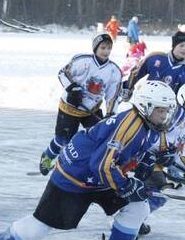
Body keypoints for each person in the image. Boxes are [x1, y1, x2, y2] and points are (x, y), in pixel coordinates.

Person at [0, 81, 179, 240]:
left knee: (137, 207)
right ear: (145, 106)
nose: (165, 115)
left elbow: (125, 159)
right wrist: (126, 186)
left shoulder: (149, 127)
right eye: (161, 110)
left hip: (101, 177)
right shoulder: (129, 127)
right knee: (39, 227)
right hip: (75, 177)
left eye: (166, 111)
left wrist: (147, 164)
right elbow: (101, 164)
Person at [38, 33, 123, 175]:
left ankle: (84, 166)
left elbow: (112, 95)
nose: (106, 51)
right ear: (95, 48)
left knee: (98, 140)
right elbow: (62, 73)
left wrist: (110, 114)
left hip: (91, 110)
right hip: (70, 108)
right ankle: (47, 157)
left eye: (109, 48)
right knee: (63, 141)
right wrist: (72, 89)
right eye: (102, 48)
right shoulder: (82, 61)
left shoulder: (114, 71)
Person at [141, 82, 185, 236]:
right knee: (161, 189)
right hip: (143, 156)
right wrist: (163, 152)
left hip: (155, 160)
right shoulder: (176, 114)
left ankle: (134, 219)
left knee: (162, 193)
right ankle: (126, 219)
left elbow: (175, 155)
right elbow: (153, 132)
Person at [120, 30, 185, 100]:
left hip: (167, 109)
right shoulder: (156, 58)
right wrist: (128, 88)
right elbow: (136, 73)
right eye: (182, 45)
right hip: (146, 100)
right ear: (174, 46)